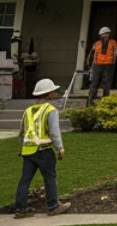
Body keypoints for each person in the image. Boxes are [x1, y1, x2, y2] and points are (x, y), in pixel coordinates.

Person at [14, 77, 70, 218]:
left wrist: (22, 148)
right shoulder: (50, 110)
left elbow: (21, 132)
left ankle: (20, 209)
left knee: (25, 180)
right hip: (44, 150)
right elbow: (54, 132)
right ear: (49, 94)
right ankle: (53, 206)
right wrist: (60, 149)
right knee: (50, 177)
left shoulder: (28, 111)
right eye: (54, 91)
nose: (56, 93)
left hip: (28, 151)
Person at [86, 26, 117, 104]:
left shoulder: (113, 43)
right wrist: (91, 66)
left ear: (109, 34)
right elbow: (91, 55)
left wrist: (113, 62)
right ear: (100, 35)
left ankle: (105, 101)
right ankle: (90, 101)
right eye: (103, 34)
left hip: (108, 65)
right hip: (97, 65)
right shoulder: (97, 44)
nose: (105, 36)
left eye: (106, 34)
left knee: (106, 83)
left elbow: (116, 53)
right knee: (94, 83)